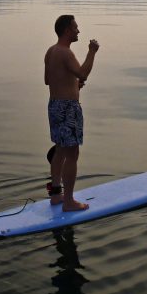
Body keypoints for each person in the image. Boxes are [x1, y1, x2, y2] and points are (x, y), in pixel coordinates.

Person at [44, 14, 100, 212]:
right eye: (75, 28)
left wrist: (74, 86)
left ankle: (56, 196)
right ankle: (69, 201)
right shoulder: (66, 53)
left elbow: (49, 80)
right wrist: (92, 52)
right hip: (68, 108)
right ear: (67, 30)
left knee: (59, 149)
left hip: (54, 105)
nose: (78, 31)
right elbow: (83, 73)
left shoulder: (51, 52)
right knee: (72, 154)